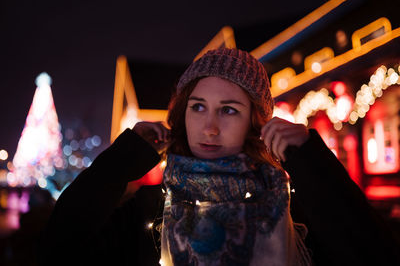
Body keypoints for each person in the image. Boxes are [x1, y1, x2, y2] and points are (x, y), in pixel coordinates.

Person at [39, 48, 400, 266]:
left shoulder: (293, 213)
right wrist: (118, 164)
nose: (209, 127)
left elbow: (374, 254)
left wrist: (312, 161)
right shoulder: (149, 213)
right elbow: (59, 250)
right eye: (198, 107)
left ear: (254, 123)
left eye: (228, 110)